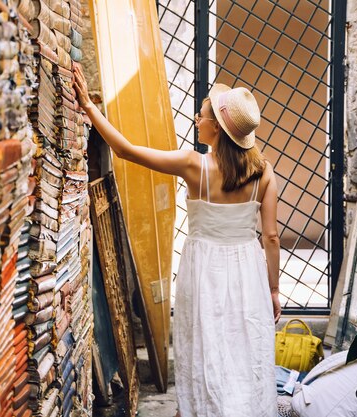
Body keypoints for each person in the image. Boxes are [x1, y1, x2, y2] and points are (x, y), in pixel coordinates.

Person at [73, 64, 281, 417]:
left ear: (216, 127)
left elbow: (126, 151)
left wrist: (89, 108)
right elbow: (272, 237)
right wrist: (273, 290)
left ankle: (201, 409)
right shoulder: (264, 172)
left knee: (203, 345)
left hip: (203, 270)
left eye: (201, 115)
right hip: (247, 270)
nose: (197, 119)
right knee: (244, 347)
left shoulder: (192, 165)